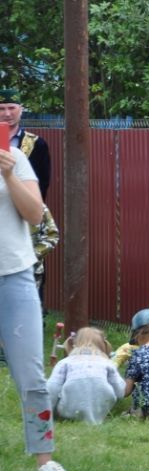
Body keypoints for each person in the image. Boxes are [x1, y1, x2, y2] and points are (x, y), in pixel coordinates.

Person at [0, 136, 73, 471]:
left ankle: (45, 460)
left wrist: (10, 176)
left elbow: (34, 214)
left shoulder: (13, 157)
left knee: (31, 374)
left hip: (14, 275)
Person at [0, 88, 57, 307]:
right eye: (2, 108)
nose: (7, 113)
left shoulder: (35, 144)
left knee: (32, 265)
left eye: (11, 108)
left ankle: (35, 311)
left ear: (20, 111)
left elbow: (42, 184)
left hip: (26, 210)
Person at [46, 327, 125, 424]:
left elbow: (52, 387)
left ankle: (69, 417)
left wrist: (49, 409)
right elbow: (120, 391)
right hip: (100, 409)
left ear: (75, 343)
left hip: (68, 410)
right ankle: (95, 417)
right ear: (103, 345)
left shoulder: (65, 362)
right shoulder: (107, 363)